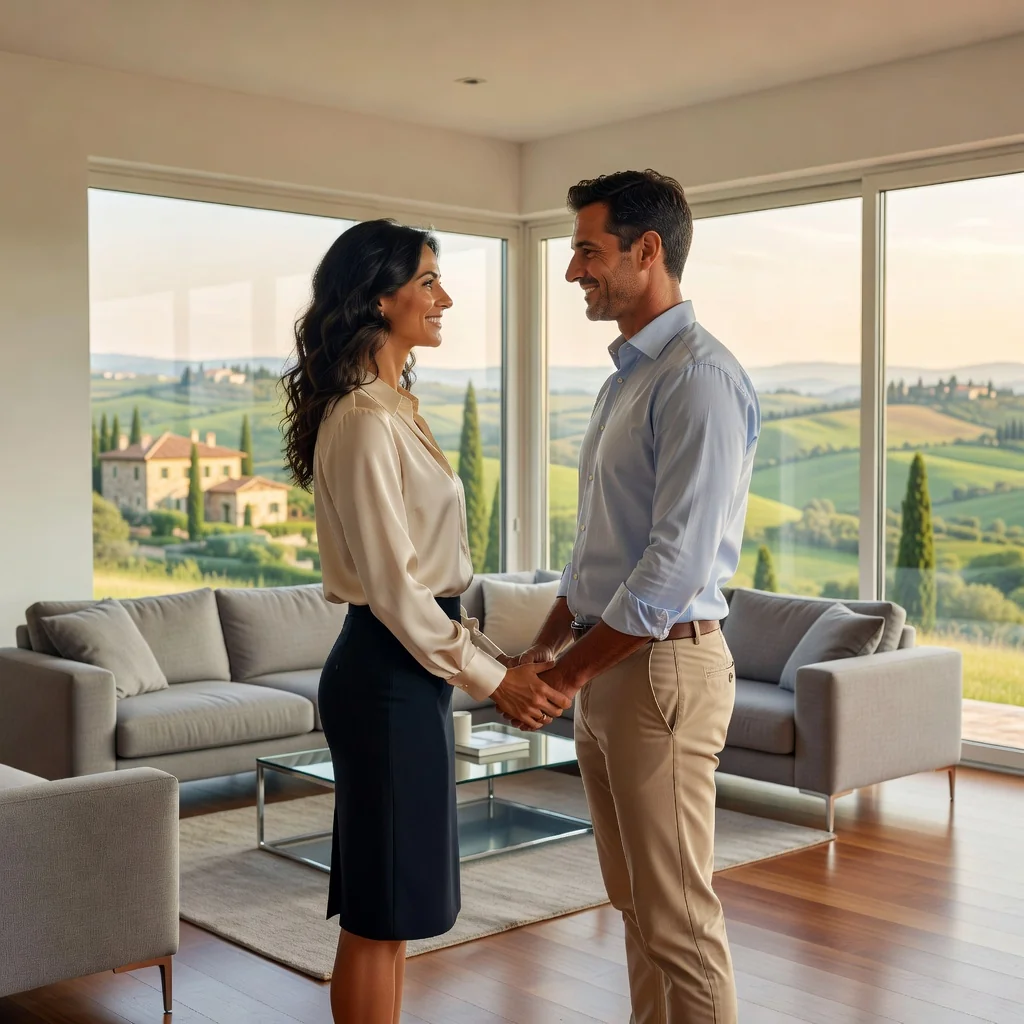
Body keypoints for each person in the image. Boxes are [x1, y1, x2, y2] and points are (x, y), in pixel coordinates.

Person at [280, 219, 571, 1024]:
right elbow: (398, 594)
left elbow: (430, 593)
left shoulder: (394, 407)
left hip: (405, 674)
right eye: (429, 281)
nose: (445, 297)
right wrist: (495, 681)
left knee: (397, 903)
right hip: (383, 677)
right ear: (381, 297)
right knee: (382, 910)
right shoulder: (365, 422)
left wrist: (489, 655)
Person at [519, 170, 760, 1024]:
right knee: (635, 908)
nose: (574, 270)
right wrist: (551, 647)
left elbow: (670, 567)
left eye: (588, 249)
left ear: (647, 250)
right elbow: (598, 553)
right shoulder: (627, 377)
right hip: (611, 665)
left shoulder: (698, 379)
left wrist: (568, 675)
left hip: (659, 672)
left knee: (679, 920)